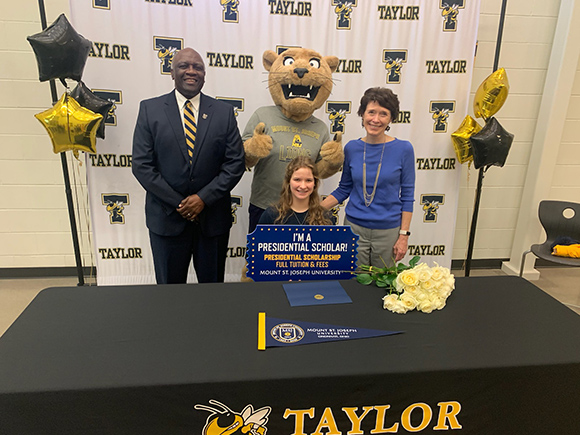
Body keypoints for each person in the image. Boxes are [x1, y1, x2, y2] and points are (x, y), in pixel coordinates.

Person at [132, 47, 245, 284]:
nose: (191, 71)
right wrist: (180, 203)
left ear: (204, 74)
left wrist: (203, 198)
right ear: (172, 72)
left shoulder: (223, 112)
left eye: (198, 67)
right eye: (184, 66)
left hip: (212, 220)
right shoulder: (149, 110)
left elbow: (235, 163)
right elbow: (142, 165)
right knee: (170, 294)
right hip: (166, 219)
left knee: (212, 292)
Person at [321, 87, 415, 267]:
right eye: (371, 112)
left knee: (383, 284)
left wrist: (404, 236)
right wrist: (314, 209)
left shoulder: (404, 149)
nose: (376, 119)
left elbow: (408, 196)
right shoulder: (352, 148)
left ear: (391, 119)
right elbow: (344, 188)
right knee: (355, 282)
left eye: (383, 114)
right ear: (362, 114)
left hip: (388, 231)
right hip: (354, 228)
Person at [258, 156, 332, 226]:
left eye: (308, 180)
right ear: (288, 181)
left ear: (314, 183)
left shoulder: (326, 218)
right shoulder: (271, 215)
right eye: (297, 180)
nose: (303, 186)